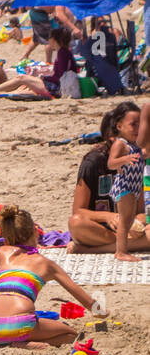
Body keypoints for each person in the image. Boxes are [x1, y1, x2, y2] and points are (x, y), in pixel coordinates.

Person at [0, 206, 104, 349]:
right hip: (21, 323)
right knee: (71, 334)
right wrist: (101, 312)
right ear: (35, 231)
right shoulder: (46, 264)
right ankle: (22, 343)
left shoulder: (3, 253)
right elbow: (85, 299)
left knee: (14, 325)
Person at [68, 102, 150, 255]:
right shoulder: (94, 162)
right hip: (102, 230)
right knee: (76, 223)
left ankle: (97, 250)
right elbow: (78, 211)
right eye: (134, 125)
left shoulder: (140, 159)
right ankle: (128, 245)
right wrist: (109, 216)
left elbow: (142, 210)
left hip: (130, 230)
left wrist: (138, 222)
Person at [106, 104, 146, 261]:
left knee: (130, 219)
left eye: (139, 124)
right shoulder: (120, 143)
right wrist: (125, 159)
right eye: (133, 125)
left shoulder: (136, 144)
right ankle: (120, 252)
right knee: (125, 218)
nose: (137, 128)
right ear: (119, 126)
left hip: (135, 186)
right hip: (125, 186)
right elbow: (111, 164)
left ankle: (123, 249)